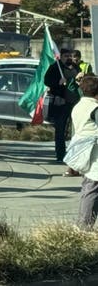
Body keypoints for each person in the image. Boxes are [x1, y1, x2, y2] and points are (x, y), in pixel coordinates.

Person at [45, 48, 81, 165]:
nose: (69, 58)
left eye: (70, 56)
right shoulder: (56, 67)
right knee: (60, 129)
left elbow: (80, 81)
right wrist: (58, 82)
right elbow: (47, 81)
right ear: (61, 57)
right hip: (61, 102)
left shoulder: (75, 67)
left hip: (75, 103)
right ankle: (60, 154)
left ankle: (74, 154)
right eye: (66, 56)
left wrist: (80, 79)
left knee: (76, 130)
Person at [71, 75, 98, 227]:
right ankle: (84, 226)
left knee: (89, 187)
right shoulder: (95, 108)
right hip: (95, 153)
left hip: (84, 152)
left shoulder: (78, 106)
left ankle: (83, 225)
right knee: (92, 189)